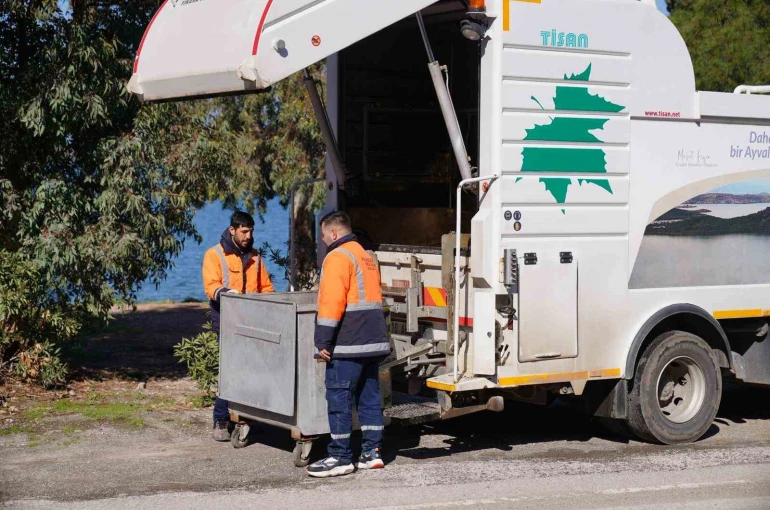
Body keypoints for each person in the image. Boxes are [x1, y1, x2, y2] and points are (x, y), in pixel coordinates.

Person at [306, 211, 391, 478]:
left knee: (339, 398)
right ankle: (372, 453)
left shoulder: (337, 256)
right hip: (373, 340)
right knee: (369, 398)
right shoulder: (365, 255)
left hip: (348, 342)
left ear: (333, 233)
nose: (322, 241)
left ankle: (340, 456)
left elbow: (331, 303)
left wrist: (322, 340)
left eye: (322, 235)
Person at [202, 210, 274, 441]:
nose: (248, 235)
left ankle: (247, 415)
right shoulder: (214, 255)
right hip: (227, 322)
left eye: (251, 231)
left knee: (253, 369)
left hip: (253, 323)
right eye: (244, 231)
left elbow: (266, 289)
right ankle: (221, 419)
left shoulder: (255, 257)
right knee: (231, 371)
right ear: (232, 230)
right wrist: (226, 293)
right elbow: (211, 285)